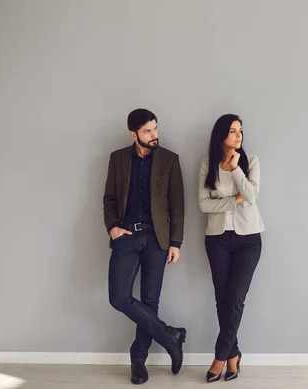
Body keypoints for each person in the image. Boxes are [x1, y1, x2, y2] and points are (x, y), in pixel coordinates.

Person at [103, 108, 186, 385]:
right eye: (148, 131)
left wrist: (176, 242)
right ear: (133, 134)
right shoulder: (118, 159)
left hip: (157, 239)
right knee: (118, 297)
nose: (154, 135)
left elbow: (177, 205)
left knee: (150, 300)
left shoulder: (169, 159)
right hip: (126, 237)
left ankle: (138, 361)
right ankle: (169, 336)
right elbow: (109, 198)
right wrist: (113, 228)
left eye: (155, 128)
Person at [198, 114, 264, 382]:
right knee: (222, 299)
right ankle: (234, 357)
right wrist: (232, 200)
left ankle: (219, 357)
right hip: (217, 238)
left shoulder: (252, 161)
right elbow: (203, 204)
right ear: (221, 135)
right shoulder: (207, 164)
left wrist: (237, 170)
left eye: (240, 131)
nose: (238, 136)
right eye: (233, 131)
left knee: (236, 298)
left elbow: (251, 196)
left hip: (248, 238)